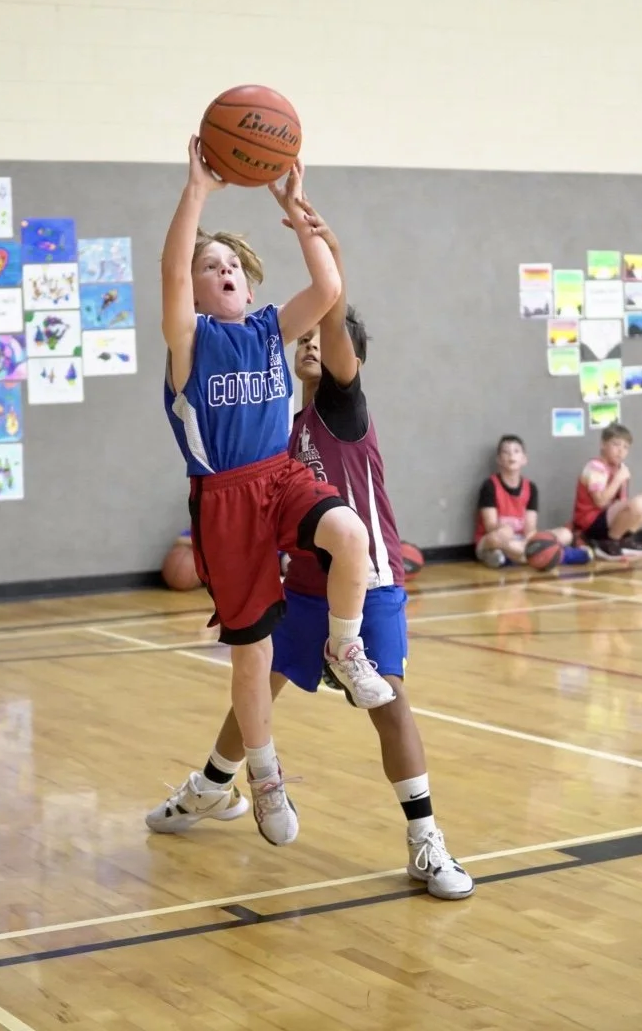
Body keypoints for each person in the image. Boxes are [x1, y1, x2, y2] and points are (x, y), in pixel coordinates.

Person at [151, 194, 474, 899]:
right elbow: (184, 285)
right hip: (298, 579)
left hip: (366, 581)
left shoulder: (342, 405)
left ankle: (425, 840)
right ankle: (217, 784)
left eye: (318, 344)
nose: (307, 350)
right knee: (253, 683)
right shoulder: (280, 421)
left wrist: (311, 231)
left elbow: (327, 299)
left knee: (389, 702)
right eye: (216, 265)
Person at [161, 138, 394, 847]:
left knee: (349, 533)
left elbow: (327, 294)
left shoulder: (268, 330)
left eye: (232, 264)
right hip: (226, 499)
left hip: (280, 475)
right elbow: (169, 272)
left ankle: (344, 650)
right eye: (211, 266)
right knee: (253, 656)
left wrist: (296, 212)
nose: (222, 270)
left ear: (251, 286)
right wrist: (197, 191)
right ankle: (262, 777)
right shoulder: (190, 343)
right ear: (197, 291)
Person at [474, 435, 592, 568]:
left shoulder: (530, 487)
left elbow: (530, 529)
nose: (511, 455)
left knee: (565, 534)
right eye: (506, 452)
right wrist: (505, 529)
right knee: (498, 537)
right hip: (494, 539)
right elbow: (490, 526)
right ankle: (559, 556)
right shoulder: (490, 485)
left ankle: (514, 557)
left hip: (521, 541)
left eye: (516, 451)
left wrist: (531, 541)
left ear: (524, 459)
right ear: (499, 460)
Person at [571, 423, 642, 561]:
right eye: (616, 444)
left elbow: (622, 501)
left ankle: (624, 539)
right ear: (603, 445)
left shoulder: (620, 468)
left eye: (625, 447)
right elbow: (601, 502)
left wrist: (621, 479)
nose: (621, 451)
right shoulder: (595, 467)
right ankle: (609, 543)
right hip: (590, 523)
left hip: (608, 519)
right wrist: (618, 479)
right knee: (637, 504)